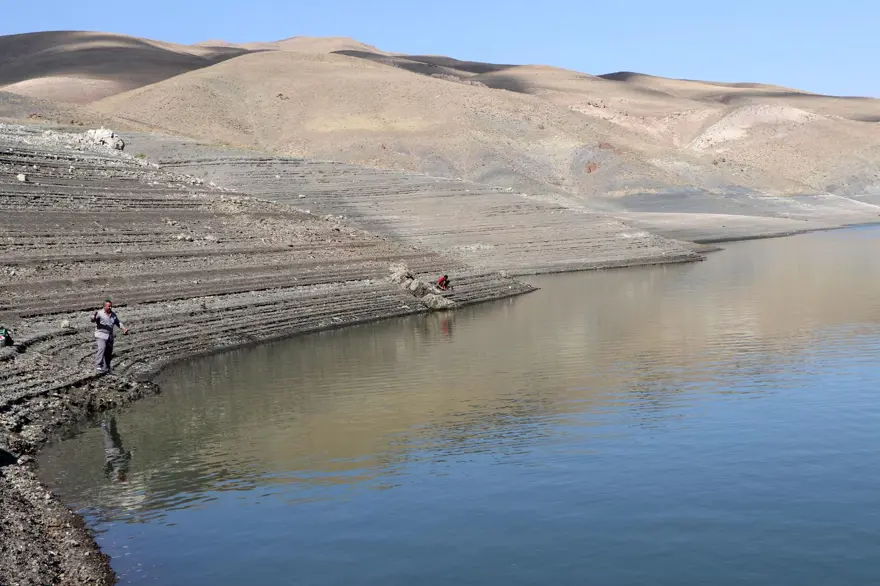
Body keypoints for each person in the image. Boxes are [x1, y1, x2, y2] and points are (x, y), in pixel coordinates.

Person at [91, 299, 129, 374]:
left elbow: (118, 322)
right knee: (102, 348)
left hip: (109, 335)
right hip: (101, 334)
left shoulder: (113, 314)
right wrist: (93, 316)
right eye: (109, 306)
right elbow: (93, 320)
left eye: (111, 306)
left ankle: (107, 368)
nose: (110, 308)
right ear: (104, 306)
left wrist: (124, 328)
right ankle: (98, 365)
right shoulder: (100, 313)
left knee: (108, 352)